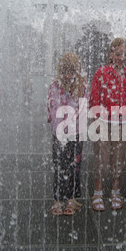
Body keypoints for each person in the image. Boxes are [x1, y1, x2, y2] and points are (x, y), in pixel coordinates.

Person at [89, 38, 126, 211]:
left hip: (122, 123)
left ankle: (115, 191)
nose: (121, 57)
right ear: (111, 54)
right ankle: (98, 192)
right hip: (103, 122)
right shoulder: (101, 73)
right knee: (102, 160)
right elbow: (94, 98)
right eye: (117, 53)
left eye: (124, 54)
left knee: (119, 159)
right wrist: (96, 119)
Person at [47, 52, 87, 216]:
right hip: (59, 134)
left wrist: (71, 125)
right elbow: (52, 108)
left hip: (76, 133)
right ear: (60, 71)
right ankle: (57, 199)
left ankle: (71, 197)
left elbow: (83, 108)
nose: (68, 75)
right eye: (65, 71)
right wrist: (60, 128)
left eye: (72, 72)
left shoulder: (82, 86)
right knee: (59, 165)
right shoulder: (54, 86)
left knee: (74, 166)